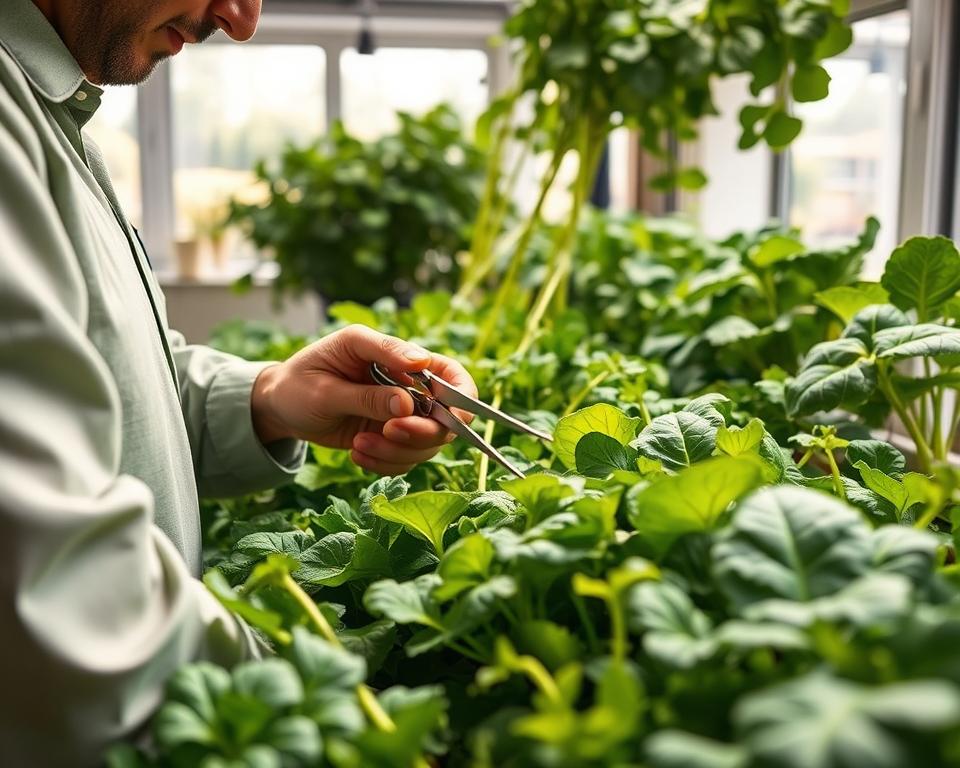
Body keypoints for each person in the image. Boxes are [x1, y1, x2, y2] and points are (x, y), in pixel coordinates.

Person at [0, 1, 477, 764]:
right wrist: (330, 711)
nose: (243, 16)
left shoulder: (49, 106)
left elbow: (97, 394)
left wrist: (269, 399)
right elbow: (48, 576)